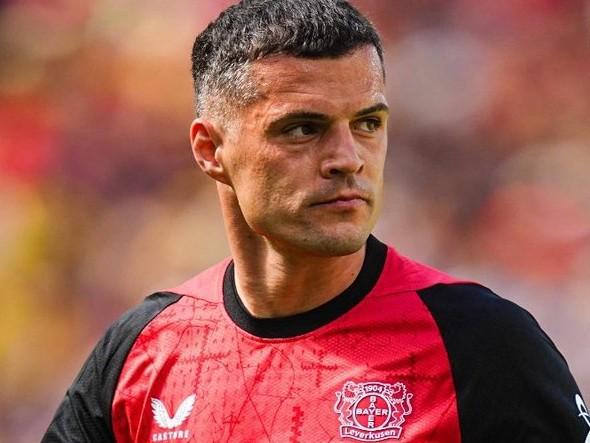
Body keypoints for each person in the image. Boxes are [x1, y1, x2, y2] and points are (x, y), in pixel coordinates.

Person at [43, 1, 588, 442]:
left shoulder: (480, 343)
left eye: (368, 124)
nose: (348, 159)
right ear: (210, 150)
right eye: (303, 129)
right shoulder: (144, 349)